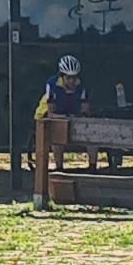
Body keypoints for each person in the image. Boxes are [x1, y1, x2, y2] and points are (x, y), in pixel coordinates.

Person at [33, 54, 87, 207]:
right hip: (49, 116)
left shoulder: (81, 85)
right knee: (58, 135)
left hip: (71, 116)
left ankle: (93, 167)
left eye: (74, 78)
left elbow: (85, 109)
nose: (72, 81)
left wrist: (80, 116)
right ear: (62, 76)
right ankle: (59, 167)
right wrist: (65, 116)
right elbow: (51, 111)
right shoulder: (52, 84)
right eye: (68, 78)